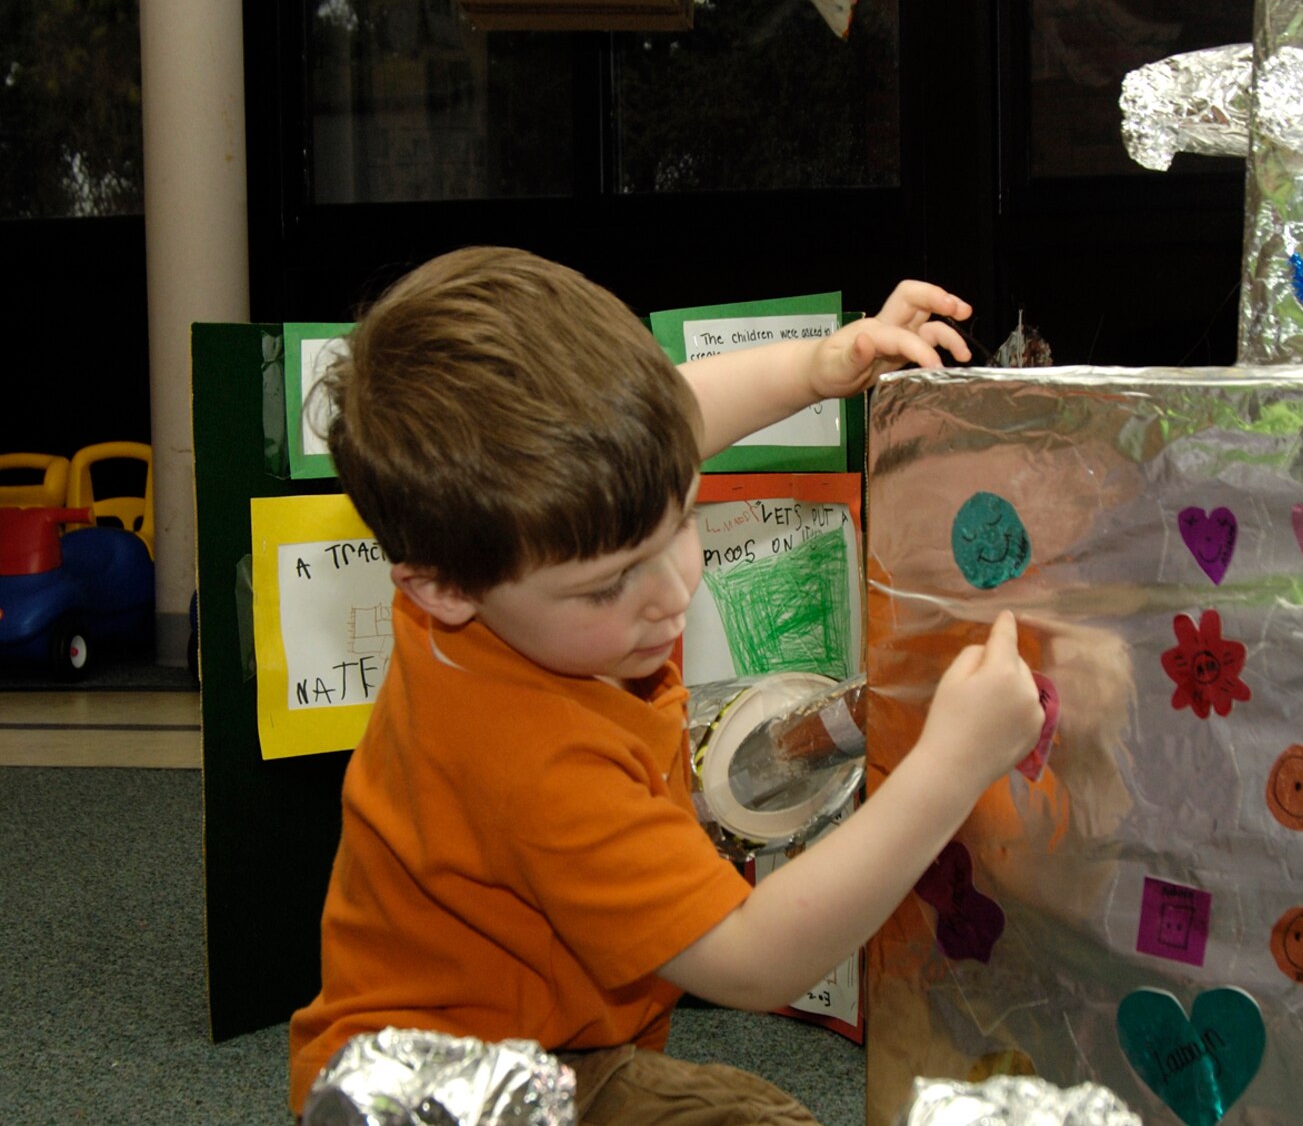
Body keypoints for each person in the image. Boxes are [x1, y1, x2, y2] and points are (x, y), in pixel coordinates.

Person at [288, 247, 1046, 1124]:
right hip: (449, 1091)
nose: (672, 590)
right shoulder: (534, 758)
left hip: (560, 1041)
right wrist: (952, 765)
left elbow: (676, 415)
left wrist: (815, 366)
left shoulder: (491, 544)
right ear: (442, 590)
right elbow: (755, 960)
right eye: (609, 581)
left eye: (680, 518)